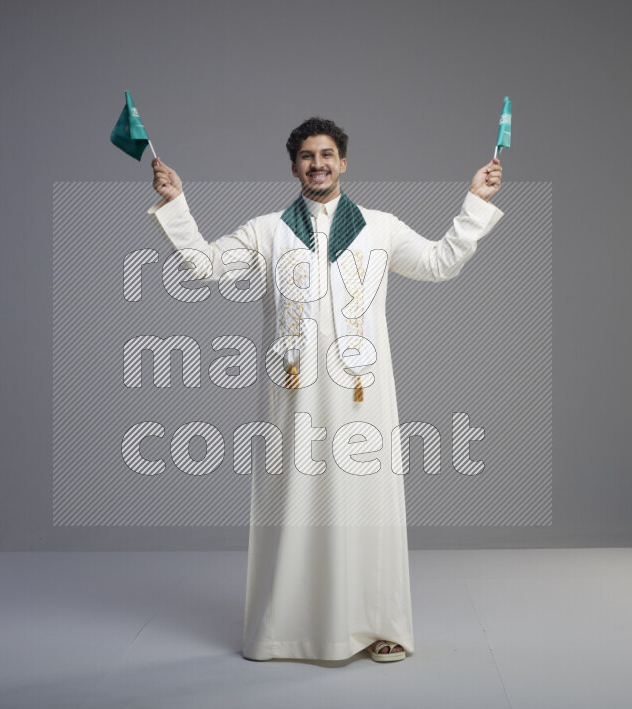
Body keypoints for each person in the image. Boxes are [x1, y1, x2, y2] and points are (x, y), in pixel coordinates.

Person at [148, 117, 503, 662]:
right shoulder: (268, 230)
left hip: (365, 397)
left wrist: (475, 202)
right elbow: (204, 266)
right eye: (308, 156)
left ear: (344, 163)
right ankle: (283, 630)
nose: (318, 163)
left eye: (328, 154)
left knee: (369, 504)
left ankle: (381, 626)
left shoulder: (379, 228)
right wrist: (176, 202)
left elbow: (439, 262)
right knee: (294, 504)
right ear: (294, 167)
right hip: (294, 396)